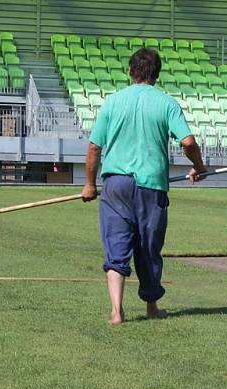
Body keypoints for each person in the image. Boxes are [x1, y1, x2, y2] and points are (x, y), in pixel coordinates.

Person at [81, 47, 206, 325]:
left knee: (116, 246)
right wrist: (199, 166)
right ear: (157, 75)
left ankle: (116, 311)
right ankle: (151, 307)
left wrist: (89, 184)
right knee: (149, 247)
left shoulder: (112, 102)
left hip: (116, 184)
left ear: (130, 71)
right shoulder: (167, 103)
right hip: (152, 186)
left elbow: (94, 148)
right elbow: (187, 142)